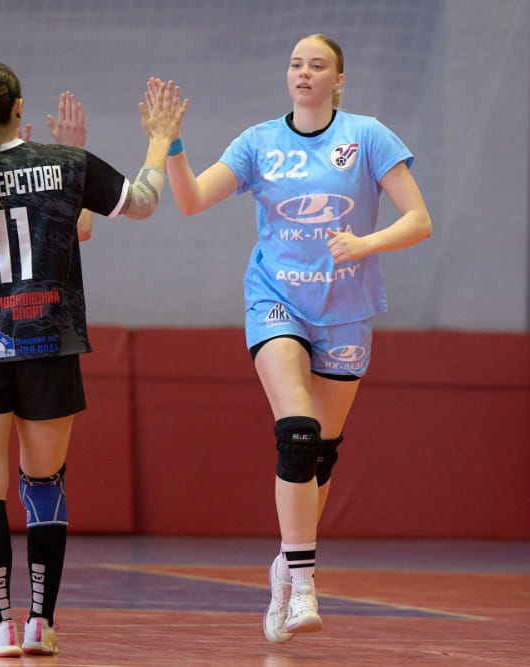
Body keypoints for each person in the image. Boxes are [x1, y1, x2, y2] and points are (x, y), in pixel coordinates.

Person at [0, 63, 184, 657]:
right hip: (49, 344)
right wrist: (159, 141)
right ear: (20, 107)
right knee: (45, 483)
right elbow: (144, 202)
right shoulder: (65, 163)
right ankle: (41, 624)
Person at [157, 34, 431, 642]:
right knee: (298, 431)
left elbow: (420, 220)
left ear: (339, 80)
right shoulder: (258, 143)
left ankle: (285, 562)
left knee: (319, 454)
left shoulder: (369, 137)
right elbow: (192, 199)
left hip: (345, 309)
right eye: (295, 64)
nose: (303, 73)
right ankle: (304, 583)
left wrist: (365, 243)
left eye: (317, 65)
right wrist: (171, 144)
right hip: (276, 299)